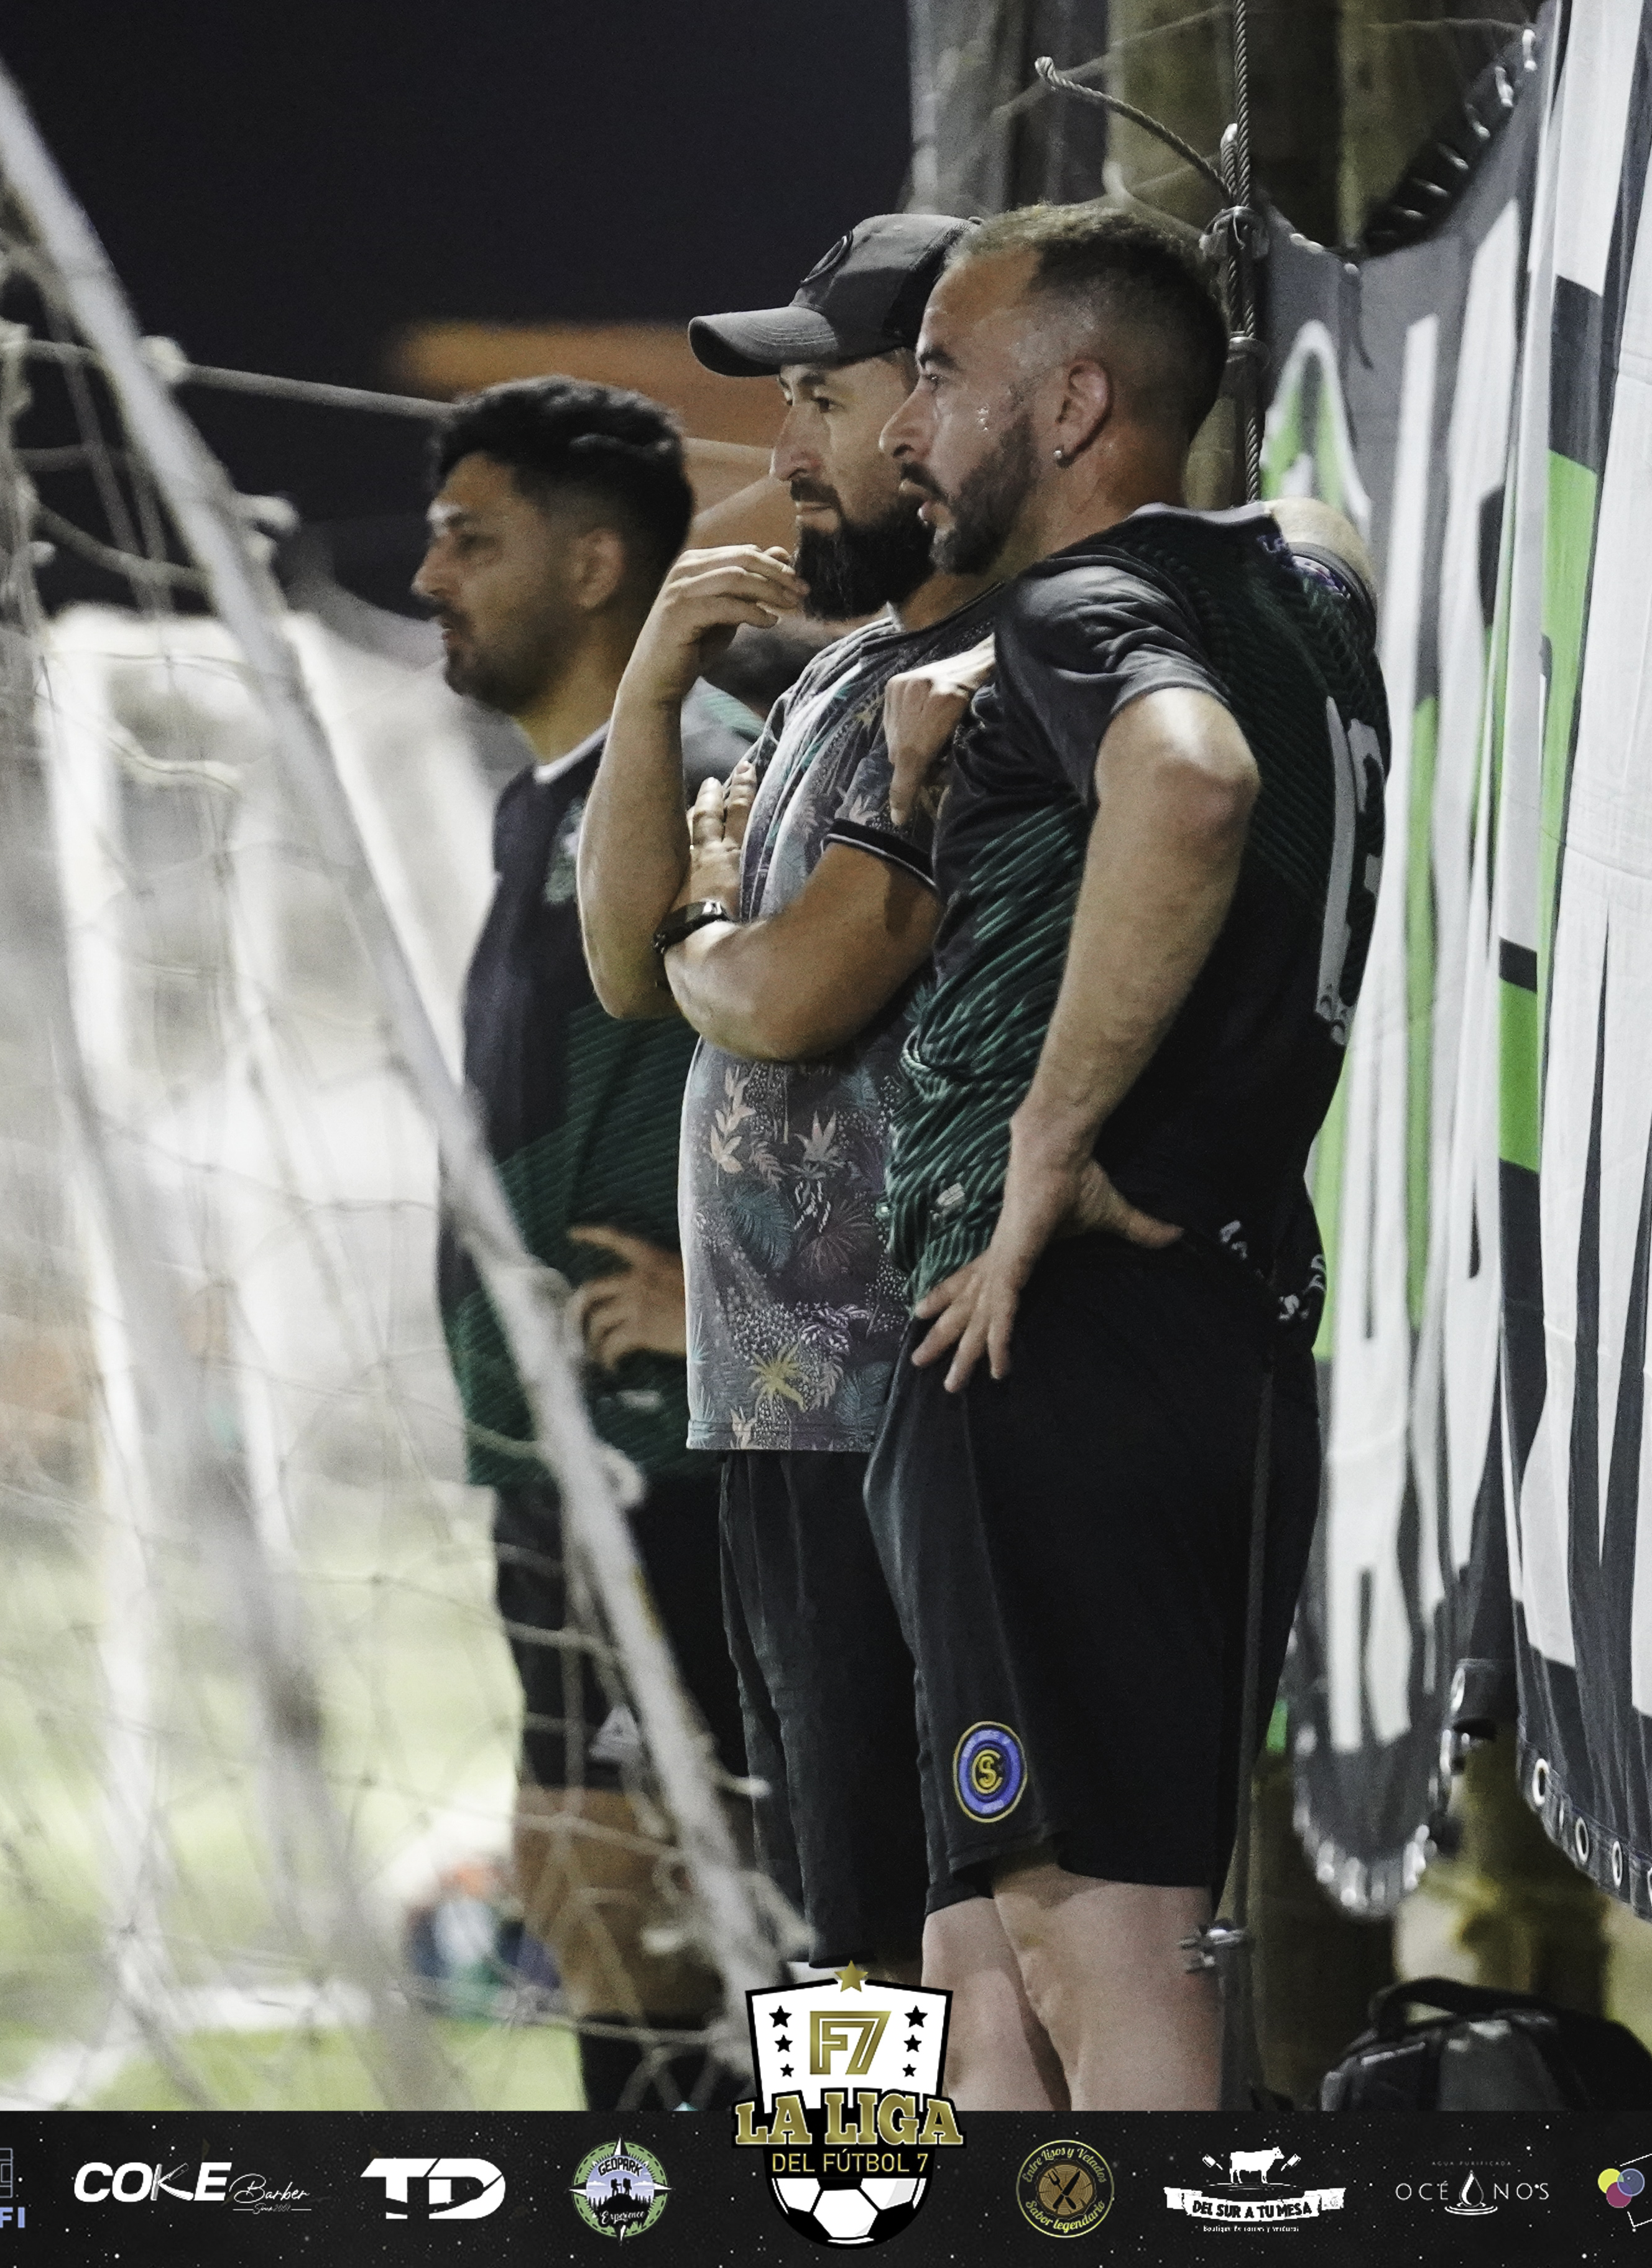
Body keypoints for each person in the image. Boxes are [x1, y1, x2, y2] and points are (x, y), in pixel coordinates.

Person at [868, 203, 1388, 2108]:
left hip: (1045, 1334)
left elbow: (1188, 780)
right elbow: (1312, 554)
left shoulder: (1079, 612)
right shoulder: (1303, 593)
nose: (907, 423)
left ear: (1076, 404)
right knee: (983, 1969)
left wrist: (1047, 1149)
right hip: (1206, 1321)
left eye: (942, 371)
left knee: (1100, 1952)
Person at [576, 215, 1001, 1983]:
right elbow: (625, 965)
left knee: (929, 1918)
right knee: (846, 1908)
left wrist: (704, 930)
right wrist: (651, 685)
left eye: (825, 400)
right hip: (778, 1404)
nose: (788, 449)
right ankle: (855, 2147)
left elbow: (763, 988)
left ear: (943, 403)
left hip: (909, 1399)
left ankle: (880, 2149)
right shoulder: (839, 668)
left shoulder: (998, 677)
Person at [415, 376, 759, 2109]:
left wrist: (738, 1299)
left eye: (470, 540)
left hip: (680, 1456)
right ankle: (659, 2203)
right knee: (597, 1887)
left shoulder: (704, 777)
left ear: (596, 562)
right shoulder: (544, 805)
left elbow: (840, 1058)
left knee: (746, 1891)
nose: (428, 577)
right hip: (565, 1454)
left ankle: (844, 2196)